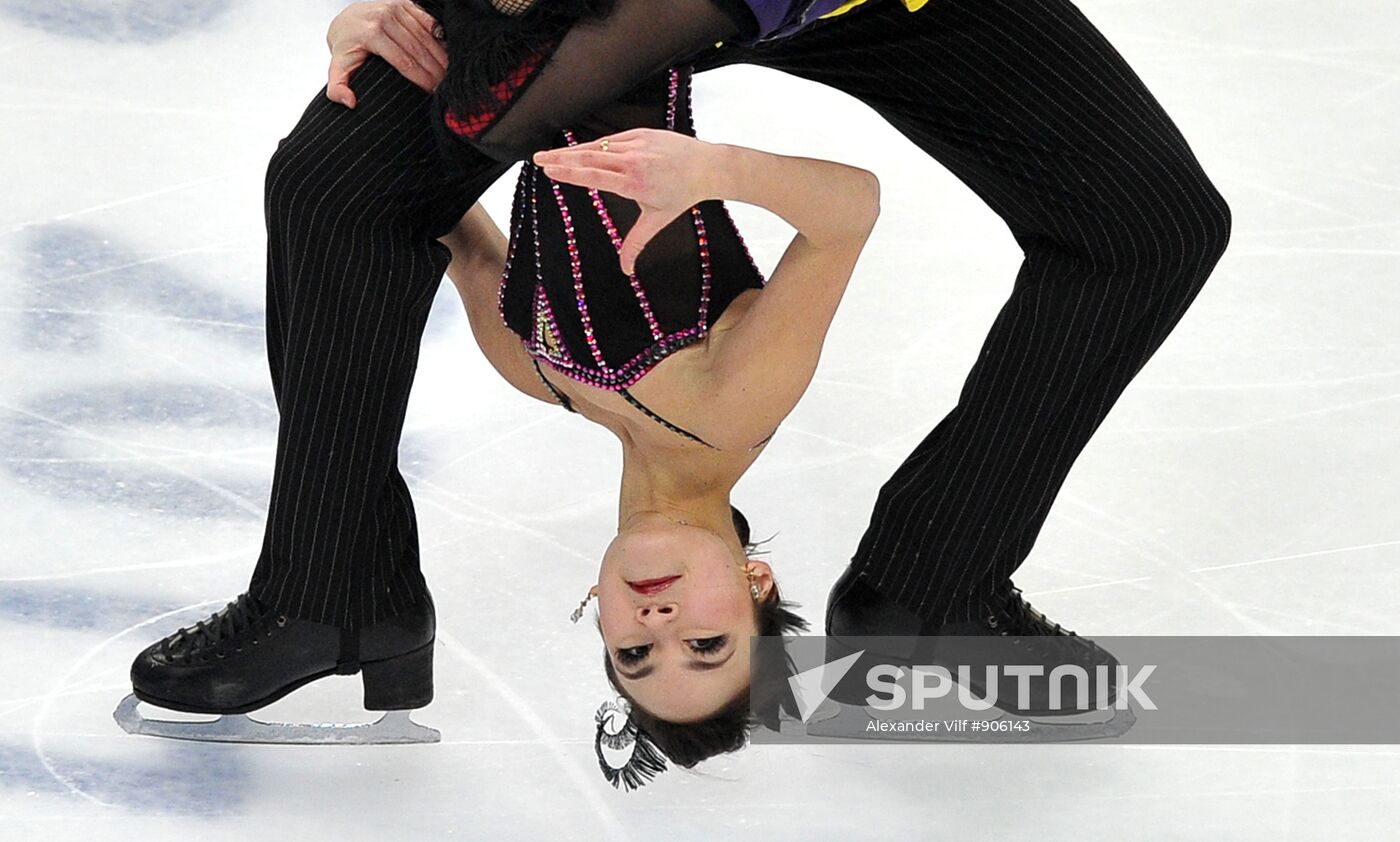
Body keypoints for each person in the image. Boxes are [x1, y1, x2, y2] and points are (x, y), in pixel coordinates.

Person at [122, 0, 1231, 777]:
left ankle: (932, 590)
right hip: (642, 32)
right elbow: (845, 212)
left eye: (633, 647)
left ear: (593, 614)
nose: (657, 619)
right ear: (753, 583)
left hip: (810, 16)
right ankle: (331, 588)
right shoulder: (724, 404)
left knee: (1146, 226)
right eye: (703, 640)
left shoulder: (539, 369)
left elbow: (459, 241)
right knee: (334, 179)